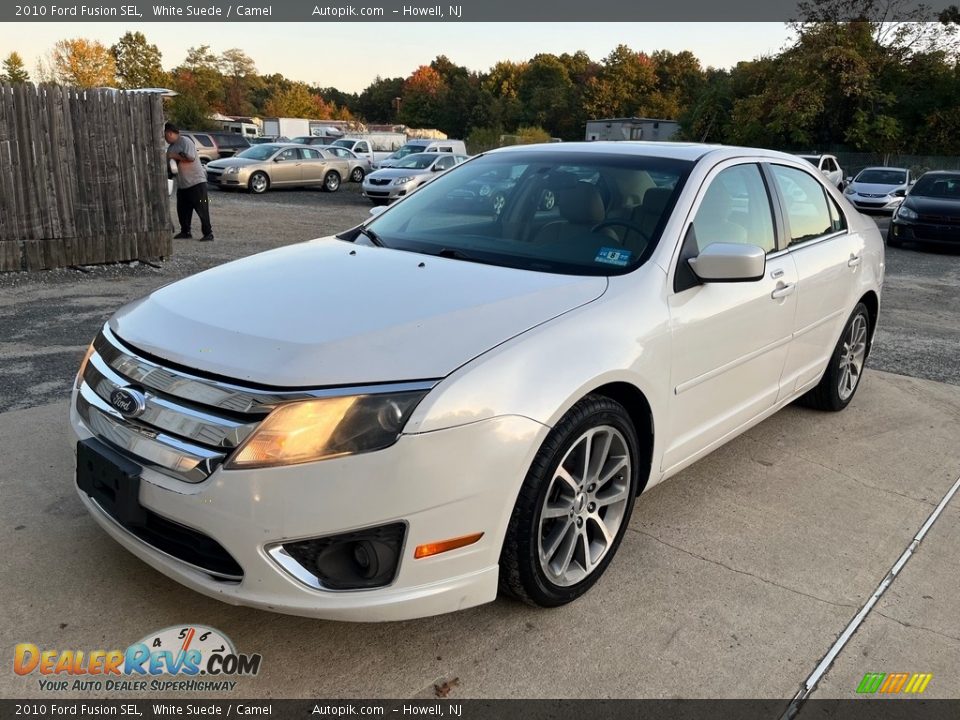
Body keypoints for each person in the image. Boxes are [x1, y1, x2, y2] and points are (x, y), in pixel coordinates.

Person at [164, 122, 214, 241]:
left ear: (170, 133)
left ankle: (208, 233)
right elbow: (170, 166)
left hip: (197, 183)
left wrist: (174, 156)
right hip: (182, 184)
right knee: (182, 210)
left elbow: (190, 158)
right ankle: (185, 231)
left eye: (165, 135)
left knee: (202, 208)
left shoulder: (185, 141)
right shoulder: (172, 147)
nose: (165, 138)